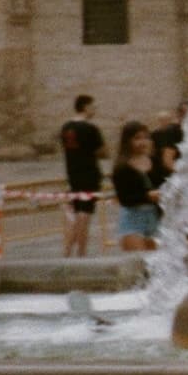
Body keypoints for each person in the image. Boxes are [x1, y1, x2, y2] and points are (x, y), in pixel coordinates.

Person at [60, 94, 106, 258]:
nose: (94, 110)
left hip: (73, 174)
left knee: (77, 211)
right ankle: (81, 252)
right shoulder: (90, 128)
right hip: (89, 173)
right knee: (84, 215)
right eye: (93, 107)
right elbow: (102, 151)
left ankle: (67, 252)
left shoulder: (65, 127)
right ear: (85, 107)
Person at [112, 122, 159, 253]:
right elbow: (124, 198)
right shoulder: (122, 167)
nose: (143, 142)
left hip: (154, 217)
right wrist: (148, 196)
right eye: (137, 138)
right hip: (133, 218)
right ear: (127, 141)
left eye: (146, 137)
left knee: (157, 265)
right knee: (139, 263)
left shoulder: (154, 161)